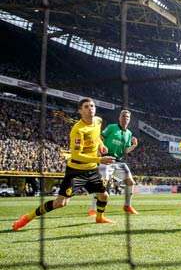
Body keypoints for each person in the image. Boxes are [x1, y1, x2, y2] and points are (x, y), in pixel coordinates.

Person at [12, 98, 115, 231]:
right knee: (60, 203)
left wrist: (102, 145)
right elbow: (76, 155)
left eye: (92, 106)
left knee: (104, 195)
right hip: (76, 171)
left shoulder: (98, 120)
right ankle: (27, 217)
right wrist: (99, 159)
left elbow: (97, 137)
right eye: (86, 107)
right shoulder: (78, 130)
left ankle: (99, 217)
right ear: (80, 111)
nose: (90, 108)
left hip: (92, 170)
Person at [88, 109, 139, 216]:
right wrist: (101, 148)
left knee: (131, 182)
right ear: (119, 118)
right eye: (123, 116)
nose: (125, 118)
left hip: (119, 161)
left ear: (129, 120)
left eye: (127, 117)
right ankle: (92, 209)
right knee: (102, 184)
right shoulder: (112, 127)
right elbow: (99, 137)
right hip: (106, 159)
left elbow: (125, 151)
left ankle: (127, 206)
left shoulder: (129, 133)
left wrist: (133, 146)